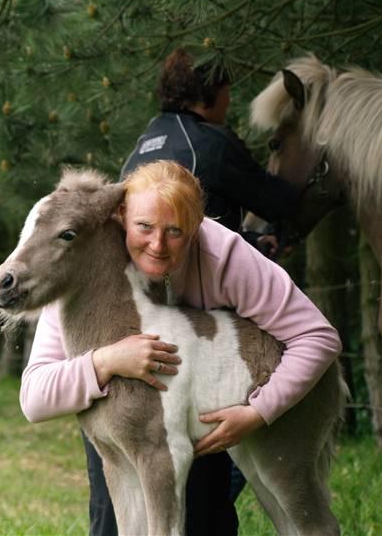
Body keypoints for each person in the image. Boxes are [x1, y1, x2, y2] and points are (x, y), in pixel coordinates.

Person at [19, 161, 341, 536]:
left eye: (175, 231)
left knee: (271, 497)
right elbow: (35, 398)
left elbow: (319, 337)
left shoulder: (225, 255)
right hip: (128, 409)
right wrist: (106, 360)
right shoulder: (86, 264)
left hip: (223, 393)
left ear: (196, 227)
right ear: (121, 215)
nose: (157, 244)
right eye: (144, 227)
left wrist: (259, 411)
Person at [120, 48, 300, 257]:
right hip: (196, 280)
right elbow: (278, 203)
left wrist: (251, 241)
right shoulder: (212, 143)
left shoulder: (145, 141)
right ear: (212, 90)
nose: (228, 102)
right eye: (227, 91)